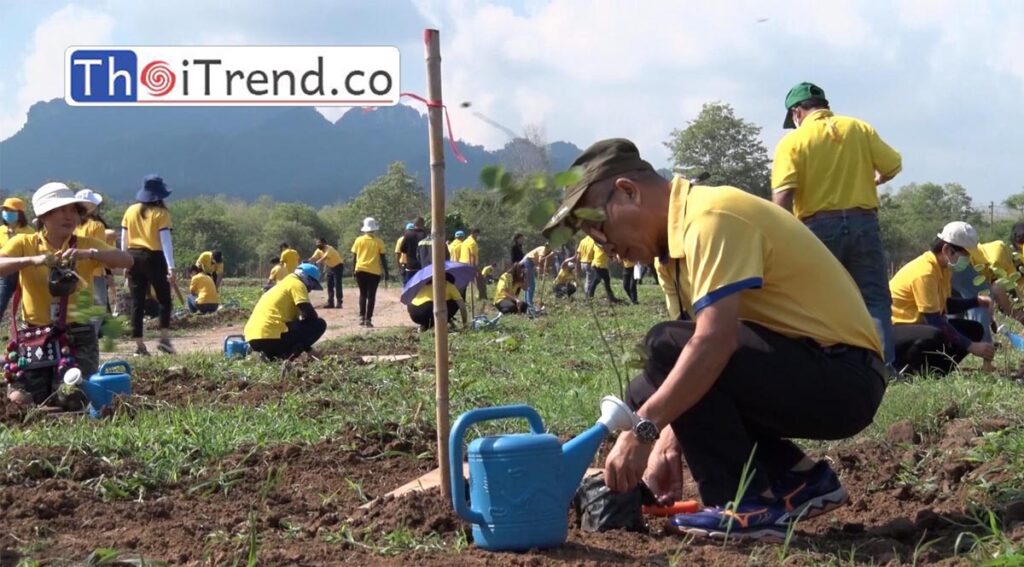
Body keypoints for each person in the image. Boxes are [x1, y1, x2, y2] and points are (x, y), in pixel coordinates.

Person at [543, 139, 887, 541]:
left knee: (664, 348)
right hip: (813, 370)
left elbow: (712, 343)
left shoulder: (710, 217)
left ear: (628, 191)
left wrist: (643, 433)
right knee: (648, 385)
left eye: (599, 229)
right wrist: (670, 438)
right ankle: (796, 480)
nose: (608, 249)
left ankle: (743, 504)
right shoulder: (671, 252)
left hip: (844, 376)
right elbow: (694, 370)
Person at [771, 82, 902, 370]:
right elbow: (892, 165)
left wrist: (777, 240)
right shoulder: (858, 128)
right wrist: (873, 181)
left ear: (797, 112)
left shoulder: (793, 142)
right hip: (863, 222)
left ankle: (827, 366)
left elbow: (782, 198)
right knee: (874, 299)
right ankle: (883, 367)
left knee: (819, 299)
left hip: (817, 228)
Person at [1, 182, 132, 408]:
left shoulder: (85, 244)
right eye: (61, 210)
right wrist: (32, 260)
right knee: (21, 400)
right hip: (35, 334)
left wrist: (89, 254)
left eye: (72, 210)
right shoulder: (25, 243)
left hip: (77, 333)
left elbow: (127, 261)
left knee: (72, 397)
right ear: (44, 215)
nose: (68, 216)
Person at [889, 222, 993, 376]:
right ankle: (906, 371)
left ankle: (935, 372)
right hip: (893, 332)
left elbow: (944, 305)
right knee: (936, 333)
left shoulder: (943, 269)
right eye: (965, 255)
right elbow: (933, 319)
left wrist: (976, 301)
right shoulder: (925, 272)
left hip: (918, 327)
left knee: (973, 329)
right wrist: (971, 346)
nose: (968, 260)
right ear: (947, 250)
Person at [121, 174, 177, 356]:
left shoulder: (130, 211)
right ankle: (164, 339)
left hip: (133, 256)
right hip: (154, 258)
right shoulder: (161, 214)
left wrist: (124, 260)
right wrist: (171, 267)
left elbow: (124, 238)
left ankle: (139, 345)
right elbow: (165, 241)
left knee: (138, 302)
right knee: (164, 299)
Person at [245, 263, 327, 360]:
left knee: (295, 326)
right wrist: (307, 347)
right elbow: (310, 315)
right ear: (306, 278)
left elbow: (298, 332)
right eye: (312, 285)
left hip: (253, 338)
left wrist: (308, 349)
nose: (310, 290)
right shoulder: (297, 284)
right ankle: (285, 357)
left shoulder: (282, 284)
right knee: (318, 324)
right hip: (272, 336)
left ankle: (271, 357)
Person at [0, 197, 35, 317]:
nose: (7, 213)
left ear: (19, 213)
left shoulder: (29, 232)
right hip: (5, 274)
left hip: (25, 273)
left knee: (29, 307)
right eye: (5, 210)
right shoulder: (1, 231)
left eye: (11, 211)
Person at [351, 217, 388, 327]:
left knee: (363, 294)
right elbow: (383, 258)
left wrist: (354, 270)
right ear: (374, 229)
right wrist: (386, 272)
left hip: (360, 269)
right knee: (371, 296)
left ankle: (361, 317)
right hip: (374, 272)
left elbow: (354, 256)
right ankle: (368, 319)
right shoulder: (379, 242)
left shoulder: (358, 240)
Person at [309, 237, 344, 309]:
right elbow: (313, 257)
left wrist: (316, 262)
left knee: (337, 284)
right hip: (330, 267)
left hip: (338, 266)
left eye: (319, 244)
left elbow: (324, 258)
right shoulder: (319, 250)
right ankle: (331, 303)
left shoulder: (329, 249)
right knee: (329, 285)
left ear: (324, 243)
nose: (318, 245)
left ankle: (339, 302)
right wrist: (308, 262)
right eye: (317, 244)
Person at [521, 244, 555, 308]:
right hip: (528, 262)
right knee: (531, 285)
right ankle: (529, 305)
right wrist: (549, 256)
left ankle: (526, 305)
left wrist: (543, 270)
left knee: (528, 285)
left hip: (529, 263)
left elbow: (542, 263)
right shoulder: (543, 249)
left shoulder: (547, 252)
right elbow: (540, 260)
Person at [459, 228, 486, 300]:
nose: (478, 236)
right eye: (477, 234)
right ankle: (481, 296)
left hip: (462, 263)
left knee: (464, 282)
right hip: (470, 264)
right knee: (479, 280)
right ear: (474, 233)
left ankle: (462, 297)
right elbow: (472, 255)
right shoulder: (472, 243)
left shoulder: (465, 241)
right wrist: (474, 267)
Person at [400, 217, 428, 284]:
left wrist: (410, 252)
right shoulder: (425, 235)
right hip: (422, 266)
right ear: (422, 224)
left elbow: (402, 249)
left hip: (410, 266)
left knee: (409, 286)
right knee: (421, 287)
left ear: (414, 224)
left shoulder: (408, 234)